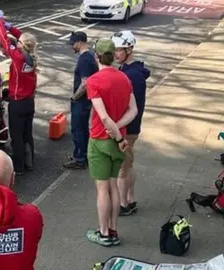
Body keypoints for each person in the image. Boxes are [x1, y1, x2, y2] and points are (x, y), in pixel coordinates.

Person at [84, 38, 138, 247]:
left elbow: (103, 117)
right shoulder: (124, 78)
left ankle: (104, 232)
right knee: (114, 186)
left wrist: (114, 133)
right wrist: (120, 133)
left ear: (97, 57)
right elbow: (133, 110)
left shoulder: (94, 81)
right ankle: (114, 230)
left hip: (101, 140)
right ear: (113, 55)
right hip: (119, 141)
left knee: (102, 189)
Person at [111, 30, 151, 216]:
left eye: (119, 50)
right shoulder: (128, 70)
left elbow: (134, 106)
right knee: (128, 165)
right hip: (130, 127)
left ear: (129, 50)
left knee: (122, 170)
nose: (115, 54)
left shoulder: (133, 75)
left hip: (128, 128)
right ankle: (131, 199)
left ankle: (122, 205)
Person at [0, 10, 38, 175]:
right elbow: (23, 37)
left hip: (17, 102)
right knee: (28, 133)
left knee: (17, 135)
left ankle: (18, 167)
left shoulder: (19, 58)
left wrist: (0, 22)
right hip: (29, 101)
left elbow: (4, 41)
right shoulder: (31, 57)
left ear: (21, 45)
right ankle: (29, 162)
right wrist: (11, 28)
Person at [63, 31, 99, 170]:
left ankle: (79, 159)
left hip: (81, 101)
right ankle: (84, 154)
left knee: (78, 130)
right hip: (87, 100)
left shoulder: (84, 59)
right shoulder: (90, 56)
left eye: (73, 44)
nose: (72, 47)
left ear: (79, 43)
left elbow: (85, 83)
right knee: (83, 129)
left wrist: (74, 97)